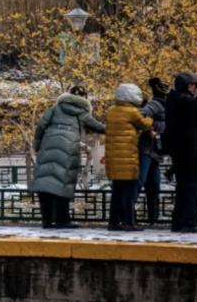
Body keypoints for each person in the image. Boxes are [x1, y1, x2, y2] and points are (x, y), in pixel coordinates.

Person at [32, 85, 105, 229]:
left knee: (45, 182)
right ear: (84, 99)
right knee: (63, 182)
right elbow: (98, 127)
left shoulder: (54, 109)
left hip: (48, 146)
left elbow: (41, 126)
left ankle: (47, 221)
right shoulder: (82, 113)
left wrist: (36, 146)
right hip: (68, 149)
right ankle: (62, 220)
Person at [165, 73, 197, 232]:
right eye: (194, 85)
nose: (195, 88)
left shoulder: (173, 99)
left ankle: (178, 222)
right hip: (190, 150)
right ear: (188, 86)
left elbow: (195, 107)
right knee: (192, 187)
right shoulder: (186, 101)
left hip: (178, 150)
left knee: (182, 187)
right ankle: (189, 223)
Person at [106, 83, 153, 231]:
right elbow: (145, 125)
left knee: (116, 191)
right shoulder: (132, 112)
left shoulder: (111, 111)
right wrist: (150, 118)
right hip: (127, 158)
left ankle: (113, 222)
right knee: (129, 193)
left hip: (114, 158)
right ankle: (129, 222)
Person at [138, 77, 168, 224]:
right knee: (139, 182)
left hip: (155, 151)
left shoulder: (165, 104)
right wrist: (150, 128)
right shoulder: (155, 104)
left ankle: (153, 217)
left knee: (154, 185)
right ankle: (127, 217)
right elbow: (140, 115)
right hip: (147, 149)